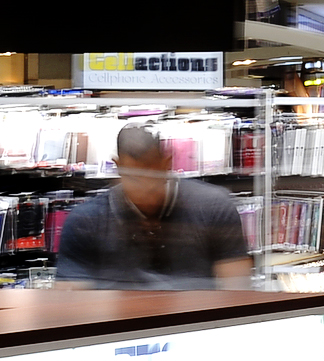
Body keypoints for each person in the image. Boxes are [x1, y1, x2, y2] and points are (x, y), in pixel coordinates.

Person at [56, 124, 251, 290]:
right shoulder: (85, 220)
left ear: (168, 164)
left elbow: (237, 290)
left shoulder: (214, 207)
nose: (146, 188)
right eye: (134, 178)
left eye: (152, 176)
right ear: (117, 166)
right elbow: (71, 302)